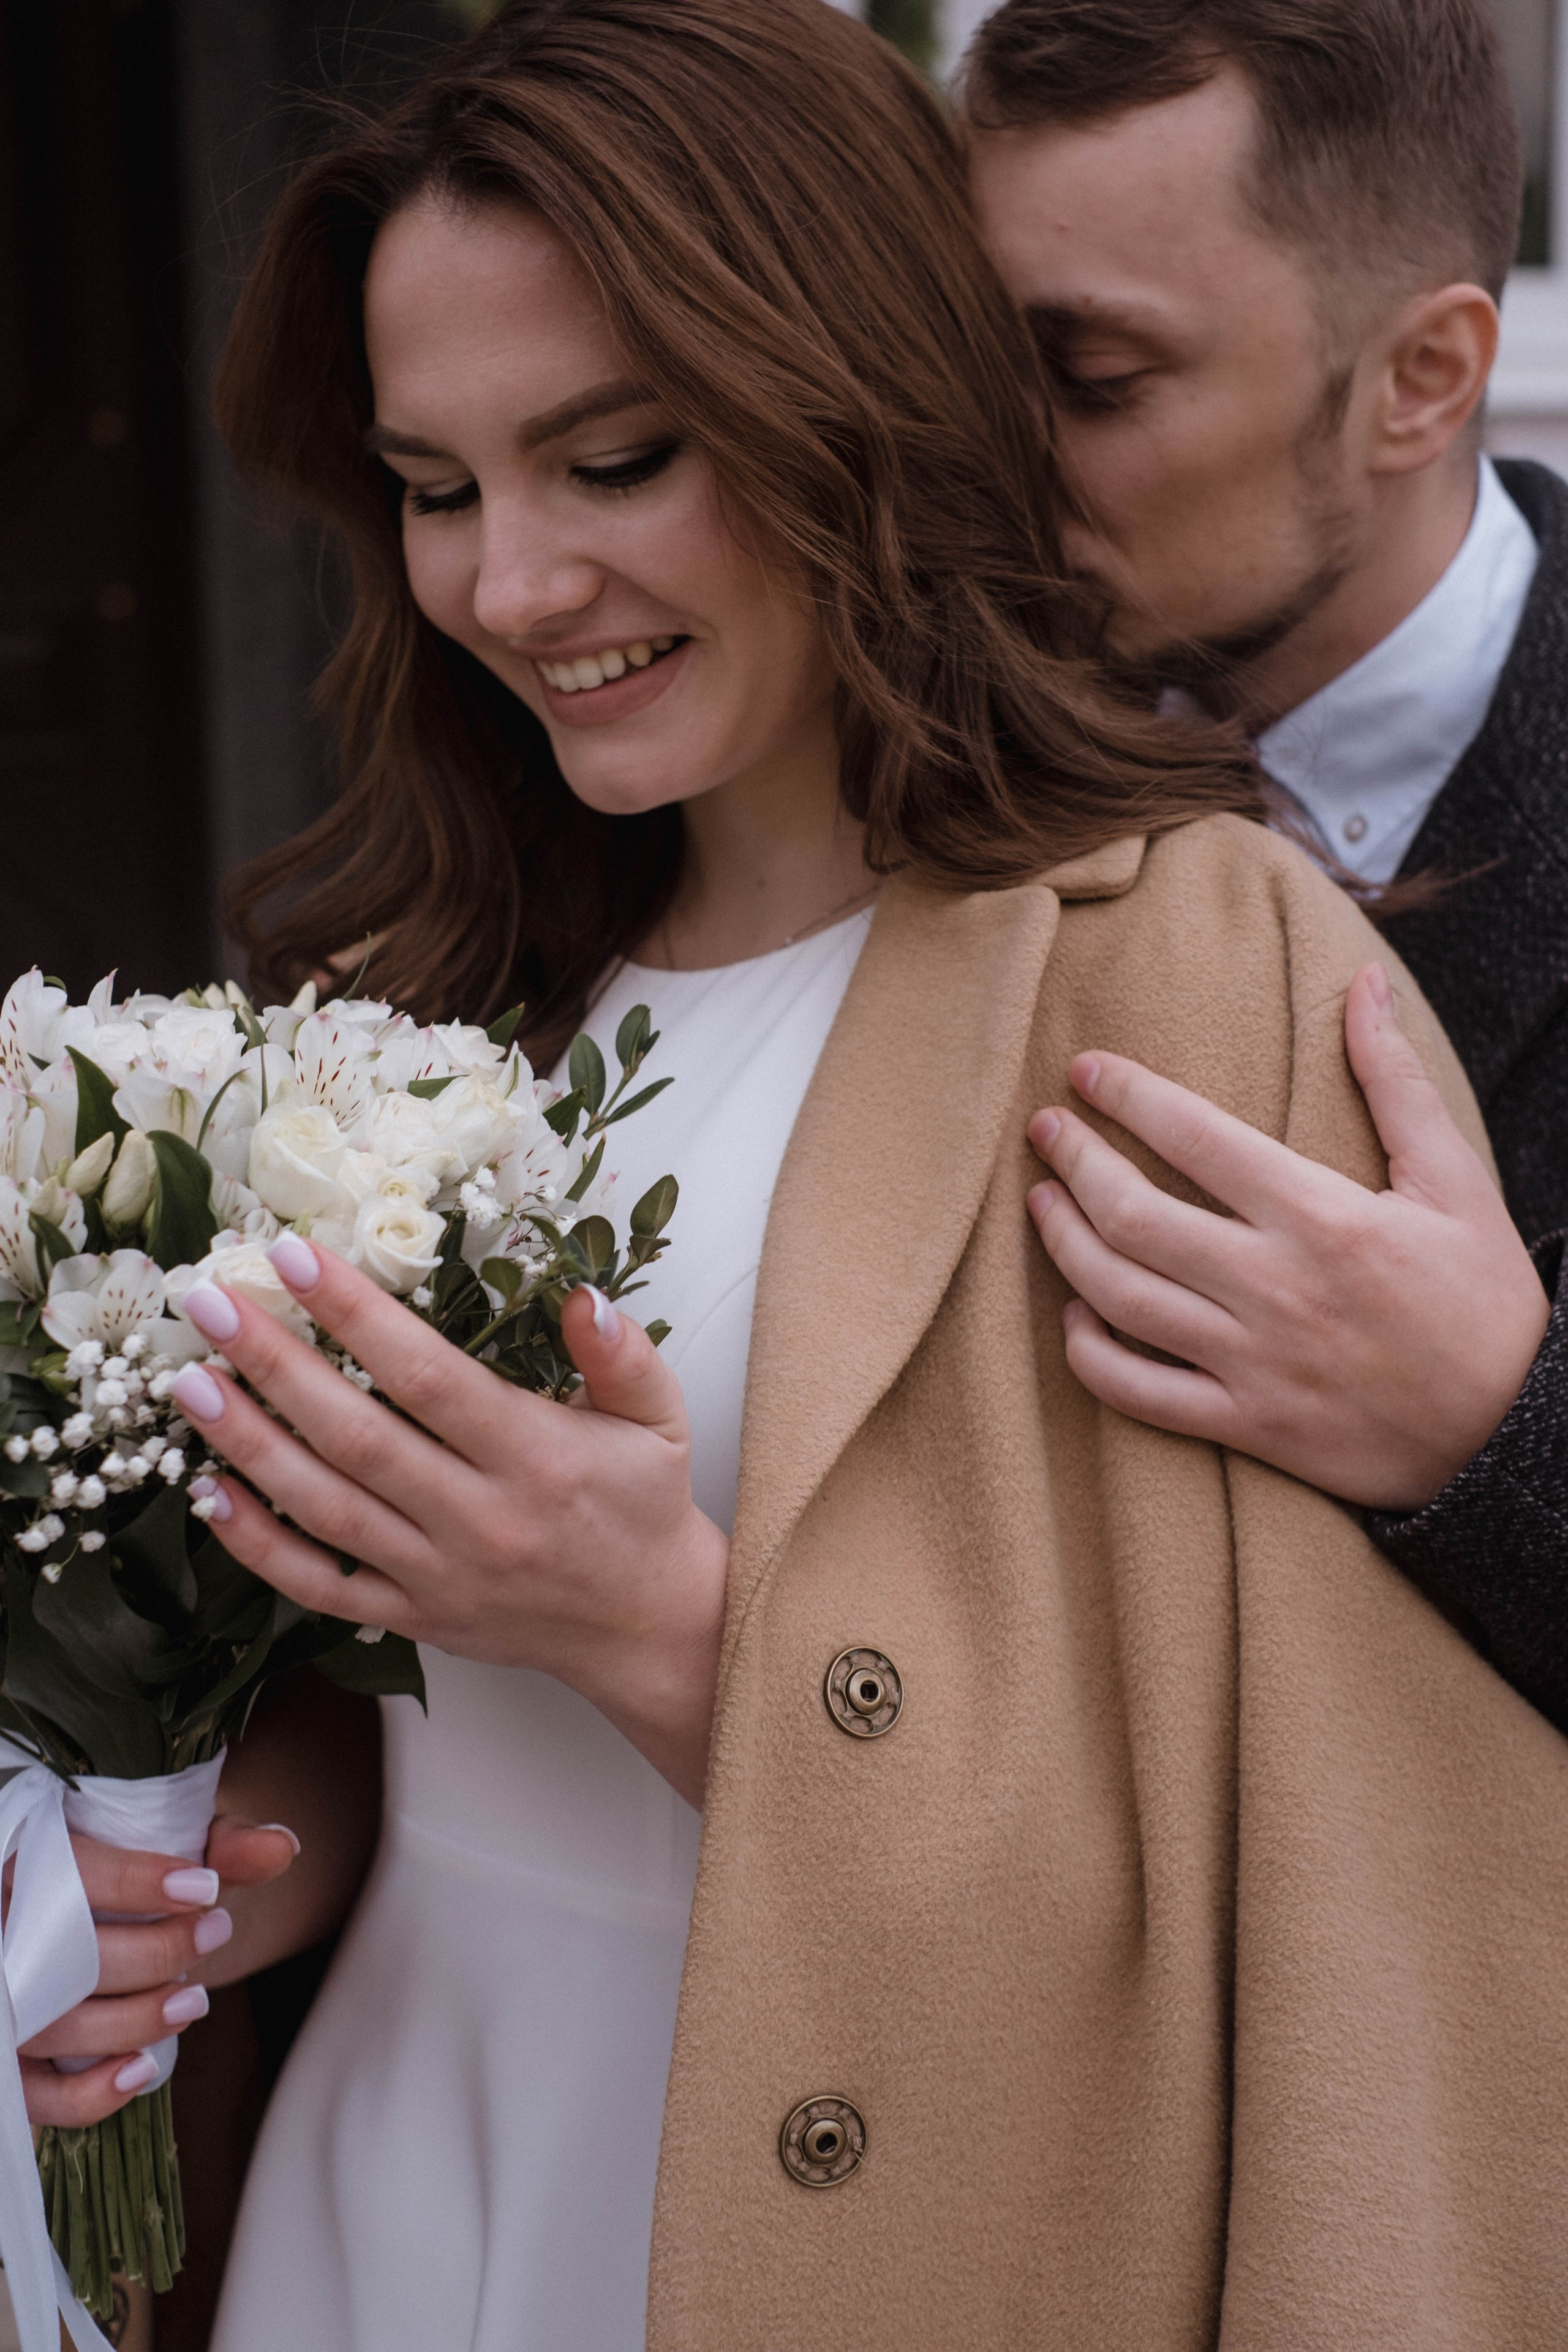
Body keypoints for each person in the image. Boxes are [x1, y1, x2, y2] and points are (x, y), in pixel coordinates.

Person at [24, 2, 1568, 2345]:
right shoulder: (404, 987)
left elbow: (1273, 1897)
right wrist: (176, 1896)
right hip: (389, 2182)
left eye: (616, 458)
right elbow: (364, 1715)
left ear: (850, 402)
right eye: (436, 488)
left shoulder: (1188, 961)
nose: (516, 584)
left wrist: (655, 1624)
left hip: (866, 2230)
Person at [963, 0, 1568, 1725]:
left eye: (1090, 383)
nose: (992, 458)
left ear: (1424, 378)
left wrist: (1491, 1426)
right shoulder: (901, 755)